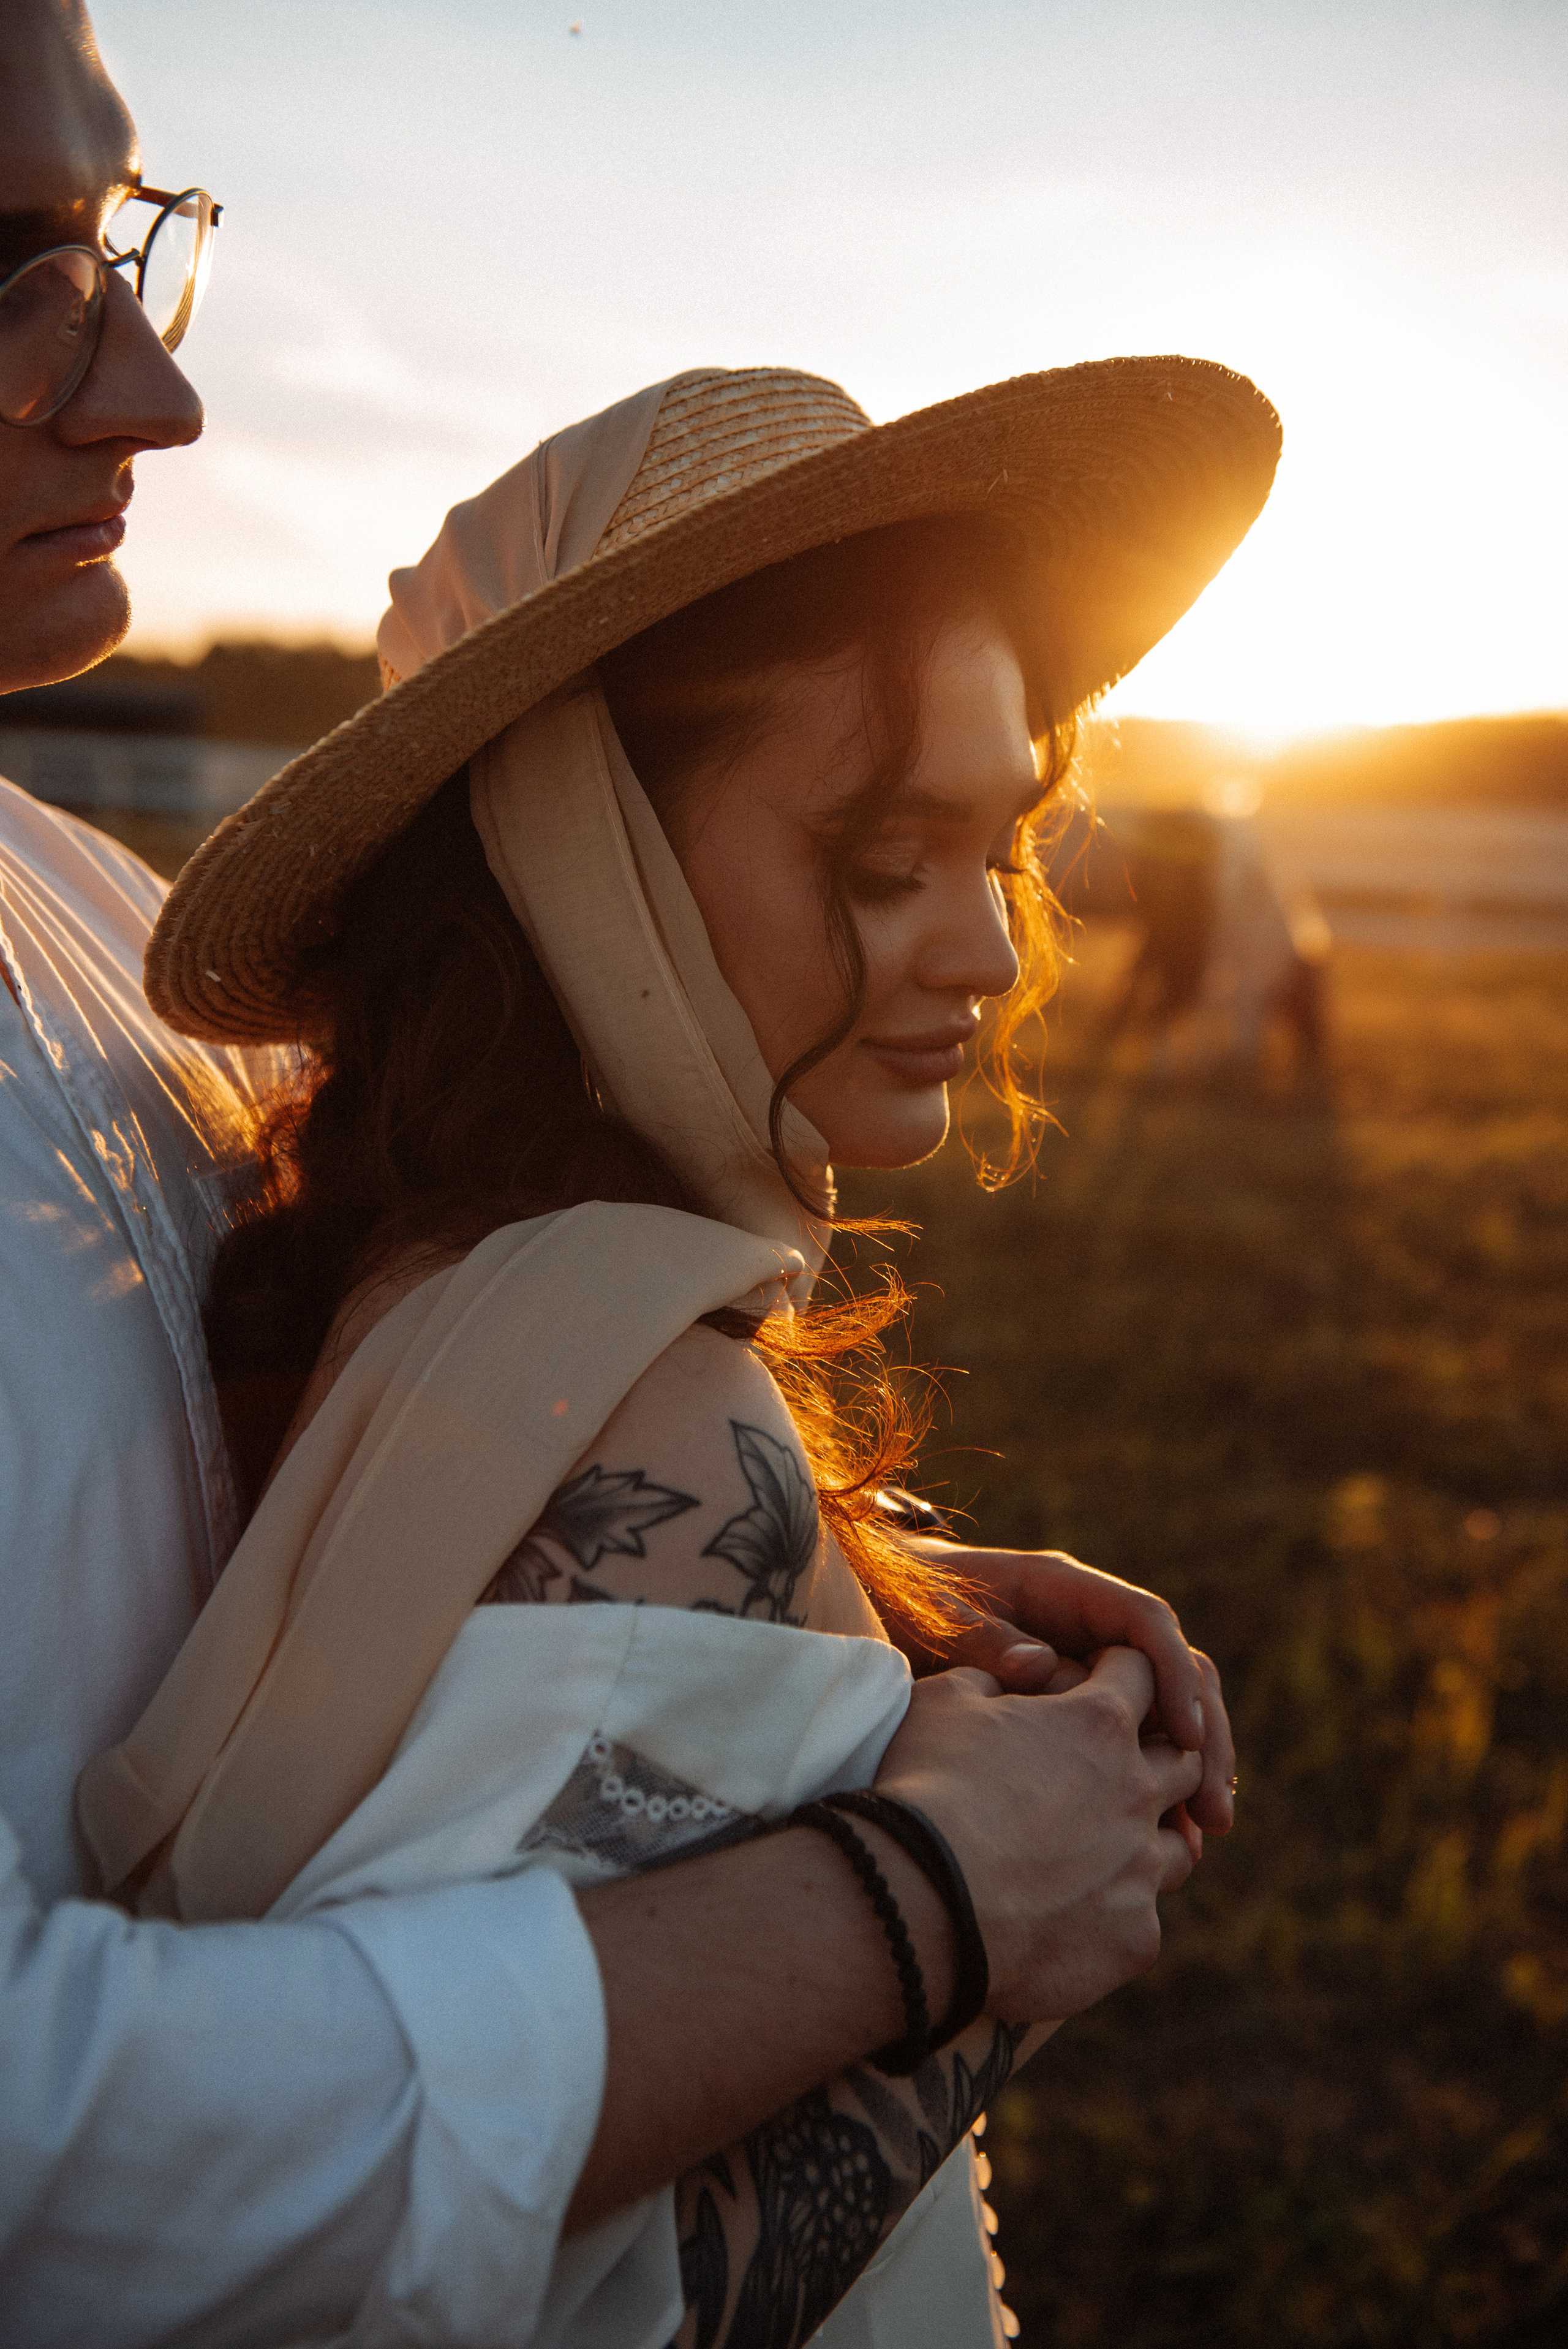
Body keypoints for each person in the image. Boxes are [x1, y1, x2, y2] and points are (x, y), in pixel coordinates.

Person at [75, 358, 1279, 2344]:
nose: (986, 945)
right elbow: (530, 2289)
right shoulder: (648, 1391)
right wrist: (1032, 1890)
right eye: (889, 857)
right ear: (584, 852)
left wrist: (870, 1592)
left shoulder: (468, 1283)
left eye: (1000, 846)